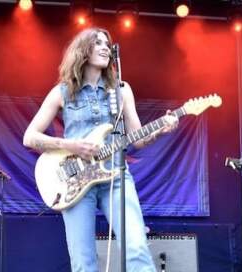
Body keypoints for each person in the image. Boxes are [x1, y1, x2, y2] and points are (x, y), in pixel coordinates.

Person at [22, 27, 178, 272]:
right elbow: (29, 137)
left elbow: (137, 140)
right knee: (83, 262)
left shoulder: (121, 91)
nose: (106, 47)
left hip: (116, 176)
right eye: (98, 43)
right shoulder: (62, 92)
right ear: (83, 51)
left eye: (108, 43)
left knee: (136, 249)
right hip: (74, 180)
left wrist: (160, 129)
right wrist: (70, 145)